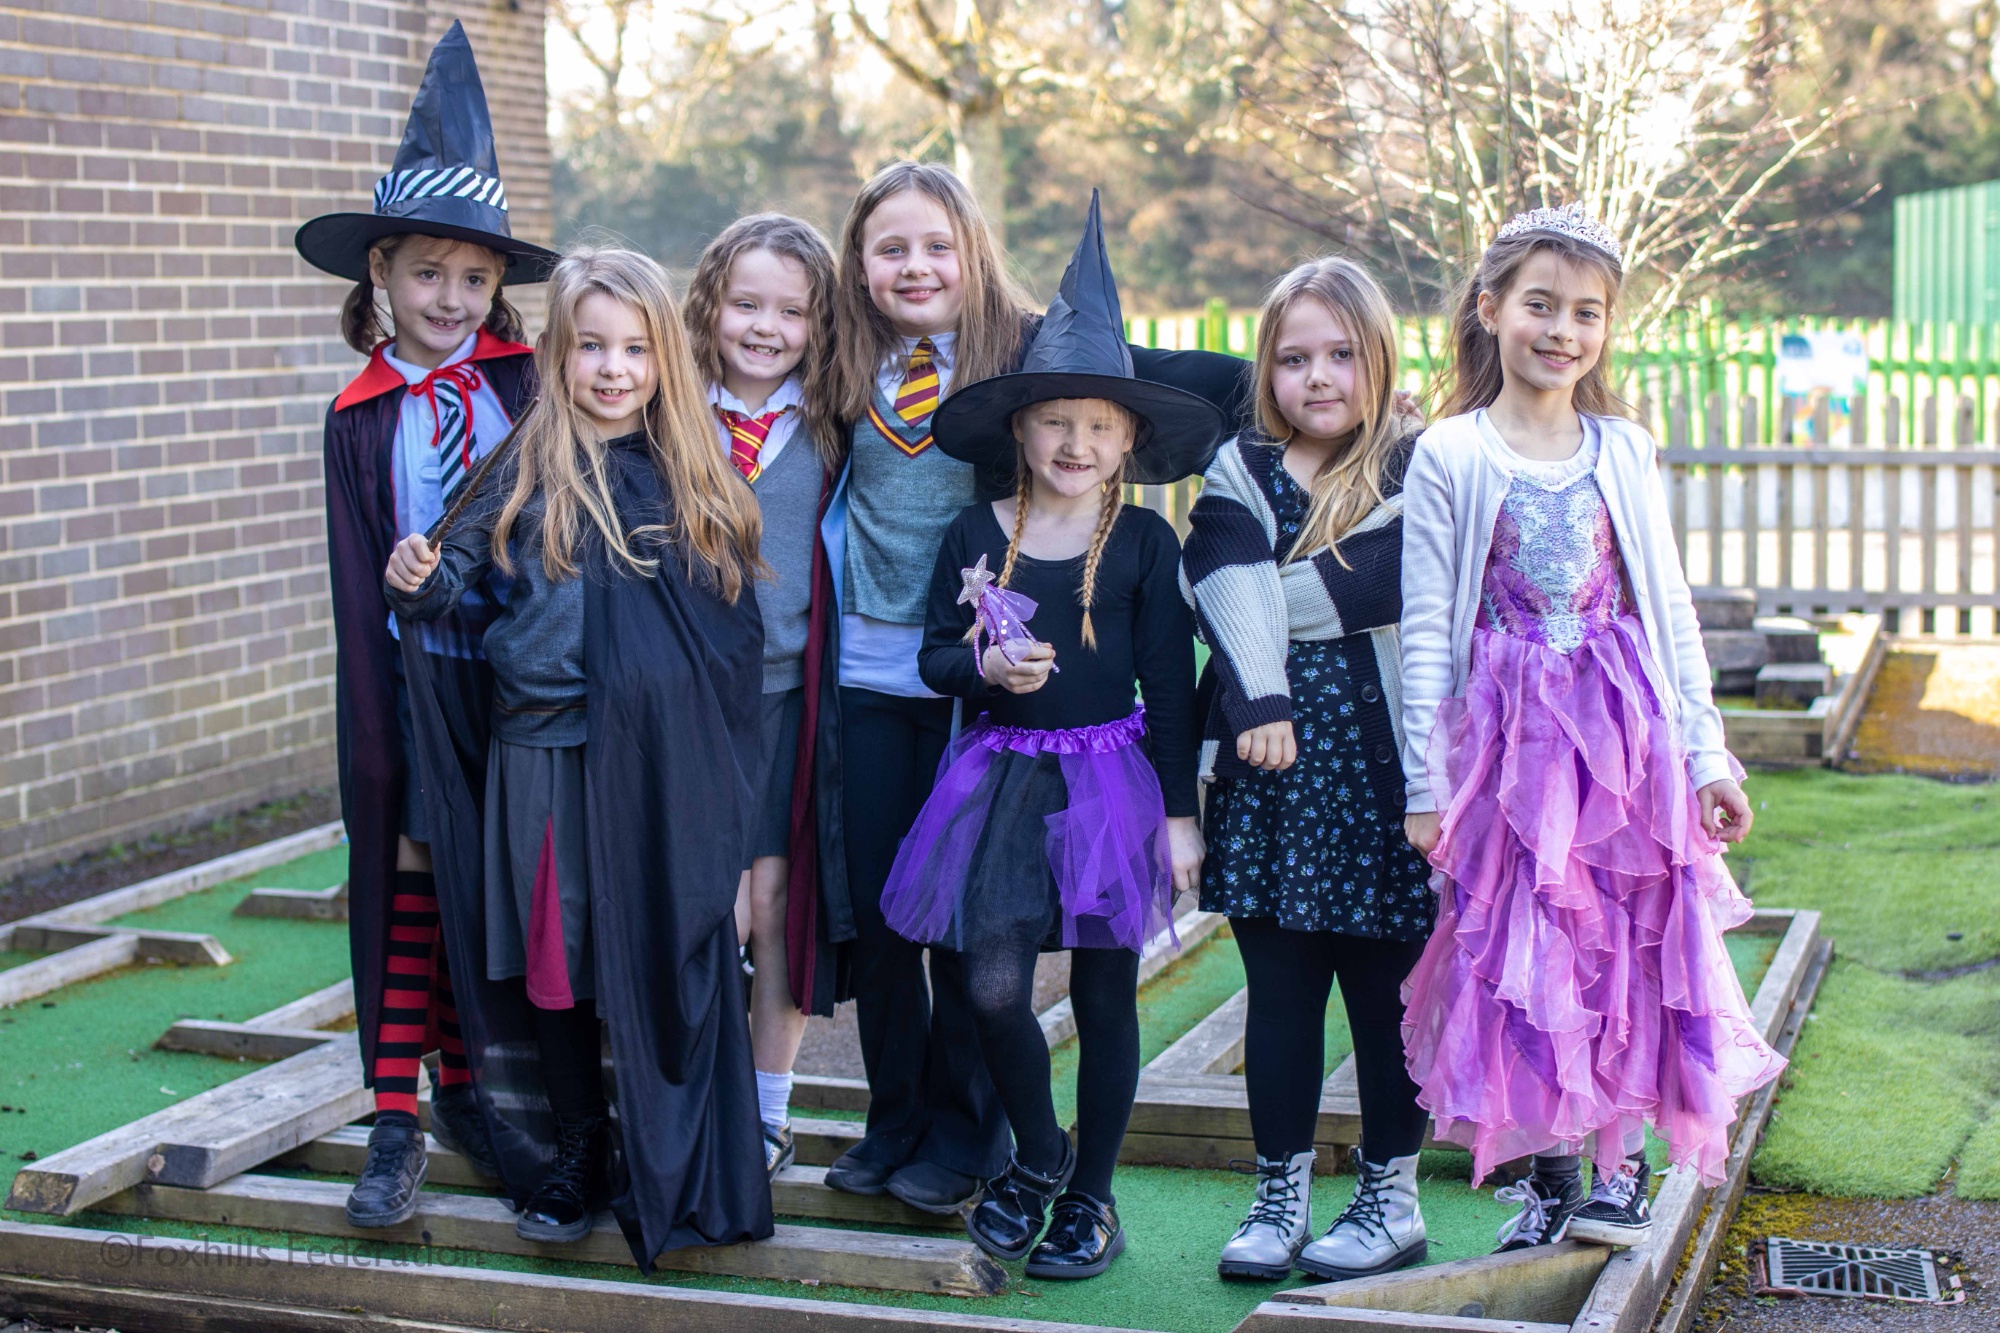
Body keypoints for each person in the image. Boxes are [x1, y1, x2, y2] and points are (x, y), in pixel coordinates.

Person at [821, 160, 1254, 1215]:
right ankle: (897, 1117)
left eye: (937, 245)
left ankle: (971, 1139)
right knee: (892, 921)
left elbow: (1220, 383)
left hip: (1000, 712)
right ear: (862, 267)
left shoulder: (1025, 357)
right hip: (883, 669)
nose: (916, 266)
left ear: (973, 256)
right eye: (892, 248)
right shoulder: (846, 362)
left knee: (979, 935)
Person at [1397, 205, 1785, 1254]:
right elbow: (1429, 629)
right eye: (1538, 305)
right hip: (1510, 746)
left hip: (1621, 735)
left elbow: (1668, 610)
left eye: (1585, 313)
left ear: (1605, 328)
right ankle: (1552, 1174)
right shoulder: (1449, 452)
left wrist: (1706, 754)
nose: (1560, 330)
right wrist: (1422, 786)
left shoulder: (1623, 447)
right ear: (1489, 311)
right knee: (1526, 946)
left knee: (1624, 937)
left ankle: (1618, 1169)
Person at [383, 246, 773, 1266]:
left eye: (634, 348)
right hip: (542, 754)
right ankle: (577, 1145)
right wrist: (412, 569)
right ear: (555, 353)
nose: (611, 368)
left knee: (649, 955)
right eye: (590, 346)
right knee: (557, 967)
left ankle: (671, 1155)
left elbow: (724, 647)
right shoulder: (522, 462)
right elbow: (439, 578)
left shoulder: (693, 476)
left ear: (663, 359)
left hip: (654, 773)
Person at [294, 20, 558, 1230]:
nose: (449, 298)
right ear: (381, 277)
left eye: (473, 277)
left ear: (495, 287)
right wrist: (380, 706)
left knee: (479, 879)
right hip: (406, 682)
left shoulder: (532, 390)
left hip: (509, 681)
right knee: (404, 873)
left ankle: (471, 1090)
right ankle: (393, 1114)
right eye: (424, 274)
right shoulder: (358, 417)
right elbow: (357, 582)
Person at [1183, 258, 1436, 1282]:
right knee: (1278, 998)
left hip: (1390, 789)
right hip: (1268, 779)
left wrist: (1227, 593)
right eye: (1293, 359)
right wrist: (1263, 686)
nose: (1317, 376)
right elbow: (1216, 565)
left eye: (1339, 354)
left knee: (1387, 1004)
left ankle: (1391, 1195)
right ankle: (1278, 1189)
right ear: (1265, 373)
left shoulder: (1422, 470)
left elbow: (1394, 576)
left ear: (1376, 359)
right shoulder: (1239, 470)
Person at [683, 213, 851, 1178]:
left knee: (776, 899)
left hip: (788, 701)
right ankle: (694, 1092)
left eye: (790, 310)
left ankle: (767, 1108)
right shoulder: (667, 420)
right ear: (710, 306)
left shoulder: (828, 432)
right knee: (709, 902)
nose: (764, 327)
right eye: (746, 303)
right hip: (688, 710)